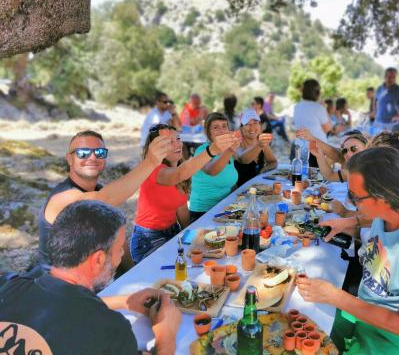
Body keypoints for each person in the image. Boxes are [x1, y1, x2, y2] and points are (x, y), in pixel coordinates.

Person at [300, 147, 399, 355]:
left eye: (354, 196)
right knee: (303, 324)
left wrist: (335, 296)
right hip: (369, 311)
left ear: (383, 197)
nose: (351, 202)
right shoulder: (397, 206)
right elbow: (373, 216)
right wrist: (349, 222)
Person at [1, 200, 181, 355]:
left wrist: (122, 301)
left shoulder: (12, 286)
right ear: (99, 259)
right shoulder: (110, 329)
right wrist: (166, 335)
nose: (120, 256)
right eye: (120, 249)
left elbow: (61, 306)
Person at [38, 130, 173, 266]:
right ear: (69, 158)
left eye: (99, 153)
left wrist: (134, 274)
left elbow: (117, 240)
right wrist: (150, 162)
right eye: (83, 153)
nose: (92, 157)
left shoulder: (100, 190)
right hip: (60, 285)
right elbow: (103, 199)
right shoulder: (61, 198)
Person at [131, 124, 236, 263]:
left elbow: (182, 208)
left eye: (178, 138)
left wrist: (192, 234)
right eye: (169, 142)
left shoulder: (178, 168)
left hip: (173, 230)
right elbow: (180, 174)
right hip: (149, 238)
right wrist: (213, 150)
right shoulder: (153, 169)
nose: (177, 144)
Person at [189, 113, 240, 222]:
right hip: (203, 213)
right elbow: (211, 171)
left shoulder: (228, 151)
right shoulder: (202, 151)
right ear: (209, 133)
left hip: (224, 209)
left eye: (224, 126)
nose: (222, 131)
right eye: (216, 128)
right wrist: (229, 151)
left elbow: (230, 180)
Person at [293, 79, 333, 167]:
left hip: (300, 147)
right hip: (317, 148)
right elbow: (328, 128)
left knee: (301, 175)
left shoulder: (297, 107)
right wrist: (324, 108)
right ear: (317, 93)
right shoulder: (318, 108)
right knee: (316, 177)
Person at [235, 109, 277, 187]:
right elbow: (243, 159)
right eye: (247, 124)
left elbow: (273, 162)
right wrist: (259, 145)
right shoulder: (237, 143)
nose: (252, 127)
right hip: (240, 191)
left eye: (255, 123)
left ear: (260, 126)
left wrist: (265, 169)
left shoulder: (261, 142)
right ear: (241, 128)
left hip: (259, 188)